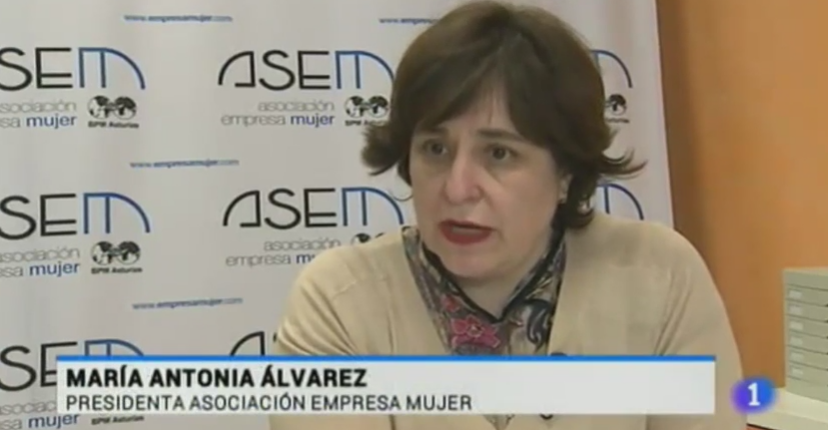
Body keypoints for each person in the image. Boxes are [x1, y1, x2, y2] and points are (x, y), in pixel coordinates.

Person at [270, 1, 744, 429]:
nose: (457, 188)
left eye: (499, 153)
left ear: (565, 170)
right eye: (435, 149)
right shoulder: (340, 300)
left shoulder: (658, 276)